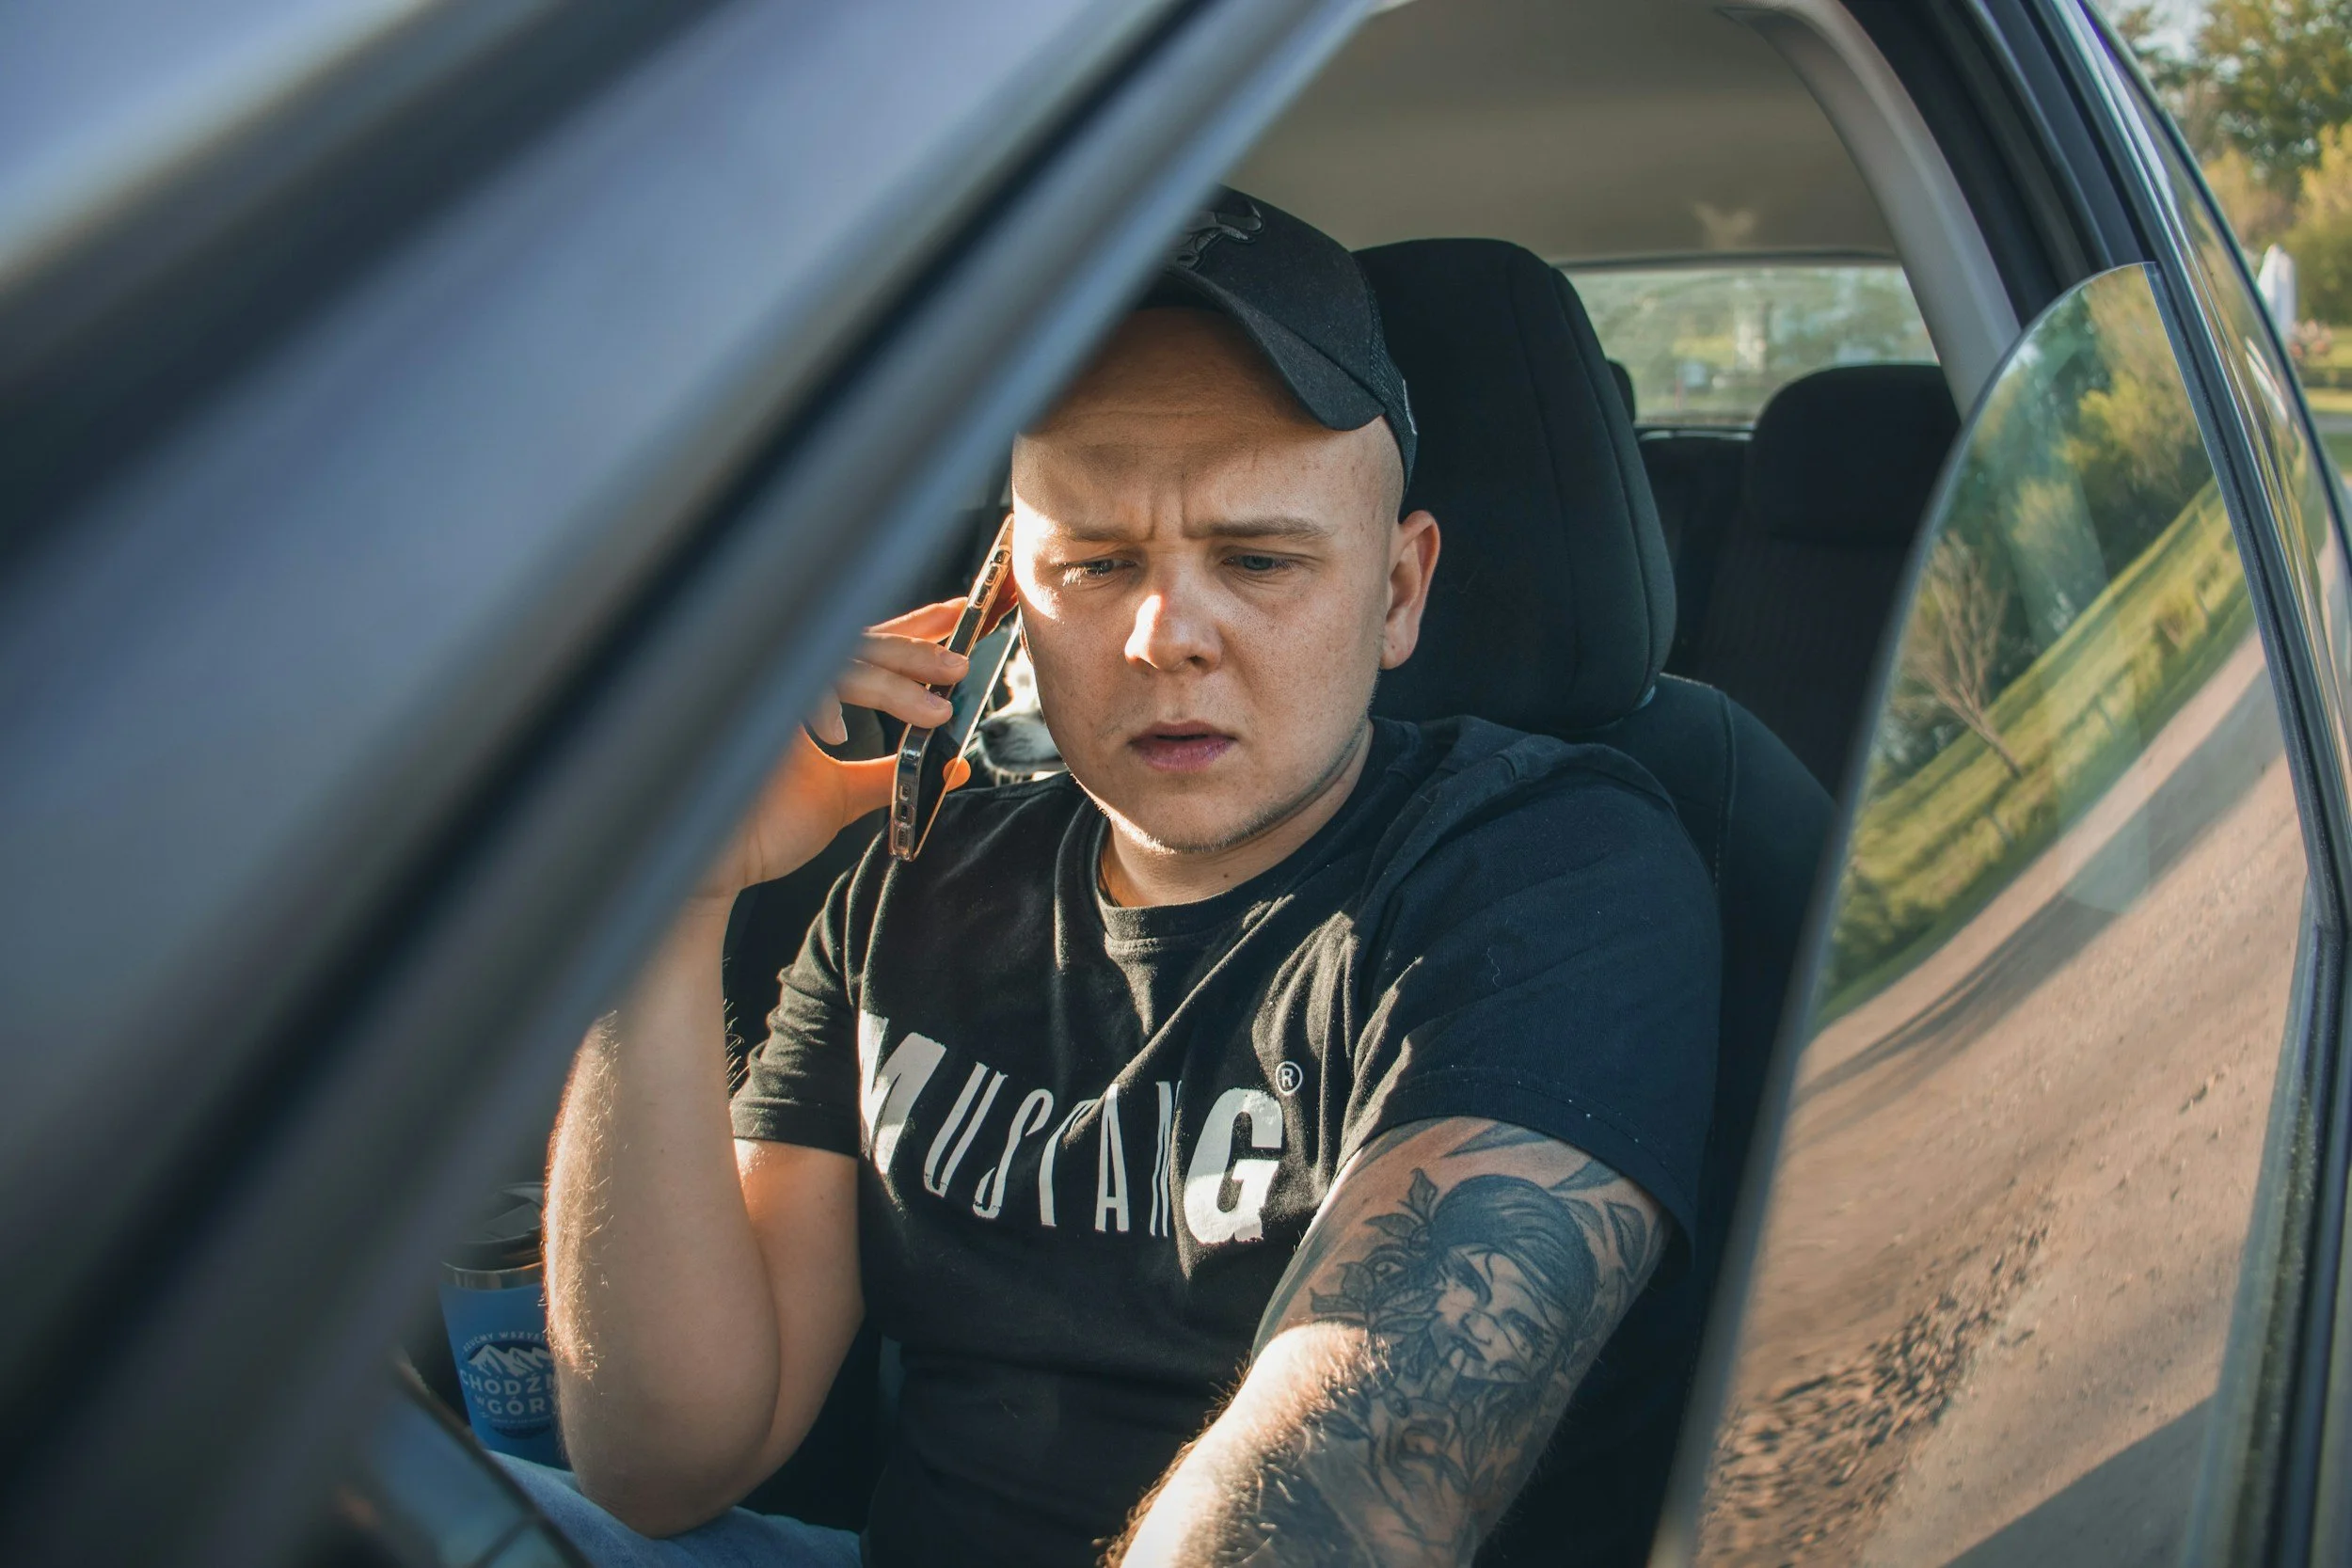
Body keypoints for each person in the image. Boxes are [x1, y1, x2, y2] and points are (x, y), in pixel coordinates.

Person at [515, 188, 1719, 1568]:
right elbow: (663, 1461)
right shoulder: (914, 882)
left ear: (1398, 593)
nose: (1164, 635)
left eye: (1258, 558)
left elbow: (1342, 1500)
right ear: (1004, 602)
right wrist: (666, 897)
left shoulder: (1545, 878)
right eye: (1095, 563)